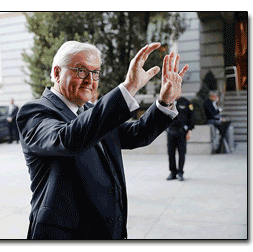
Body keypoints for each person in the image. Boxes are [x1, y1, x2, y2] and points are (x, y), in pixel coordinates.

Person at [16, 41, 188, 239]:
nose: (90, 80)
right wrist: (128, 87)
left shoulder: (91, 112)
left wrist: (164, 103)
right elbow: (68, 139)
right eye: (81, 71)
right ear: (56, 73)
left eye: (95, 72)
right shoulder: (35, 112)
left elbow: (136, 133)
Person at [166, 96, 194, 181]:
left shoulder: (186, 102)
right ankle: (173, 172)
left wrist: (190, 130)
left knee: (182, 153)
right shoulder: (167, 101)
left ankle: (180, 172)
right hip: (170, 131)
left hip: (182, 132)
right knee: (171, 153)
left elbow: (191, 116)